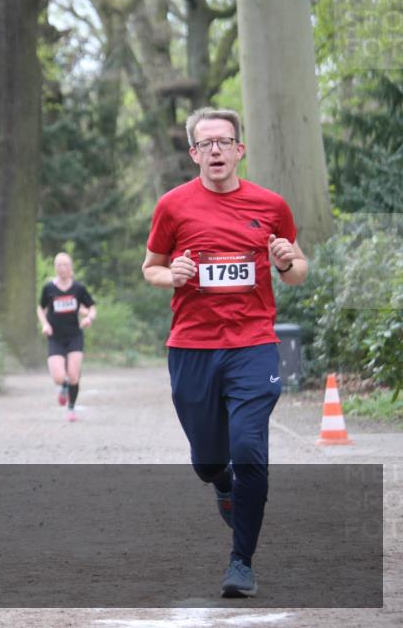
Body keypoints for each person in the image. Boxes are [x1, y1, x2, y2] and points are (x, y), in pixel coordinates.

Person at [141, 107, 307, 598]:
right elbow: (150, 267)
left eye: (224, 142)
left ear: (240, 150)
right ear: (194, 153)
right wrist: (171, 275)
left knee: (249, 449)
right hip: (192, 348)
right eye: (206, 143)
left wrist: (287, 261)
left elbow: (297, 270)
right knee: (208, 462)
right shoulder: (172, 206)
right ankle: (222, 482)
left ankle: (242, 562)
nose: (216, 150)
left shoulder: (271, 205)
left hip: (253, 345)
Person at [37, 252, 96, 421]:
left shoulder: (79, 288)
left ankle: (71, 408)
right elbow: (40, 308)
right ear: (55, 268)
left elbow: (91, 307)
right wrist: (45, 324)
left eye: (65, 265)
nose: (62, 268)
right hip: (55, 336)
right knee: (58, 377)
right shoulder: (49, 288)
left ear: (71, 267)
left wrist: (89, 318)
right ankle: (63, 386)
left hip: (74, 336)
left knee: (74, 375)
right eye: (59, 265)